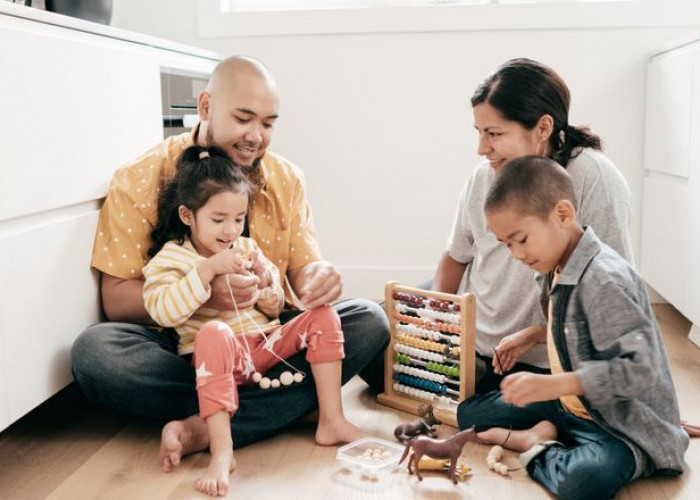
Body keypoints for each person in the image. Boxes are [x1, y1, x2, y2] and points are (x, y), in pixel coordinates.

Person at [71, 56, 388, 466]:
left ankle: (208, 426)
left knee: (367, 319)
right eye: (243, 119)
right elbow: (115, 301)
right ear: (205, 107)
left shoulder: (287, 178)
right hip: (182, 341)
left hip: (265, 339)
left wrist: (318, 278)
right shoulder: (140, 176)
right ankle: (277, 404)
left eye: (268, 124)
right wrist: (204, 294)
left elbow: (299, 275)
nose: (256, 136)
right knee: (96, 354)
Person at [457, 156, 687, 499]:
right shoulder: (554, 265)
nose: (516, 254)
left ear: (563, 214)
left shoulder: (606, 280)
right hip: (569, 404)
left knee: (582, 481)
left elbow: (640, 370)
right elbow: (573, 327)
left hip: (619, 426)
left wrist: (554, 384)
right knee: (469, 413)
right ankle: (551, 430)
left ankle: (536, 444)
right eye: (507, 244)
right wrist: (534, 336)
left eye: (521, 239)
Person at [144, 145, 364, 496]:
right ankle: (222, 450)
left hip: (264, 349)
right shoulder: (170, 260)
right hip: (215, 362)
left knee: (324, 314)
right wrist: (206, 272)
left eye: (239, 219)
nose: (231, 230)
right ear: (188, 215)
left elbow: (276, 309)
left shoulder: (246, 249)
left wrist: (266, 285)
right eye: (218, 220)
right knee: (213, 332)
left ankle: (331, 420)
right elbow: (161, 310)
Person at [432, 58, 633, 392]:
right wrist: (439, 320)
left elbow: (617, 294)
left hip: (543, 360)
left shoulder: (594, 178)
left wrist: (637, 397)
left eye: (494, 134)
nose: (482, 149)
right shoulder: (484, 174)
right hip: (478, 341)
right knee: (379, 329)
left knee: (504, 407)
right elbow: (457, 254)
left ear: (542, 128)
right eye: (480, 133)